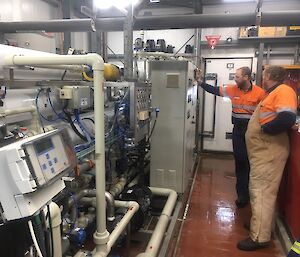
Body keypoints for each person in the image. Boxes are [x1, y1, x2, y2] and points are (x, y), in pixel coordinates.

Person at [237, 65, 298, 251]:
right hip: (265, 152)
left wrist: (265, 129)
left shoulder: (284, 90)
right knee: (263, 191)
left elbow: (287, 118)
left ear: (270, 75)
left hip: (270, 151)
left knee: (261, 192)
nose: (261, 75)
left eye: (264, 73)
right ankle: (262, 225)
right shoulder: (272, 92)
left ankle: (259, 237)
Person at [194, 66, 265, 208]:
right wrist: (200, 82)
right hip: (238, 132)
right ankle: (242, 196)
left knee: (252, 163)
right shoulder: (233, 89)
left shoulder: (260, 93)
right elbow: (214, 90)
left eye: (237, 77)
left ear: (246, 77)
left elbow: (266, 112)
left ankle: (254, 194)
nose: (235, 79)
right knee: (240, 162)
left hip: (253, 133)